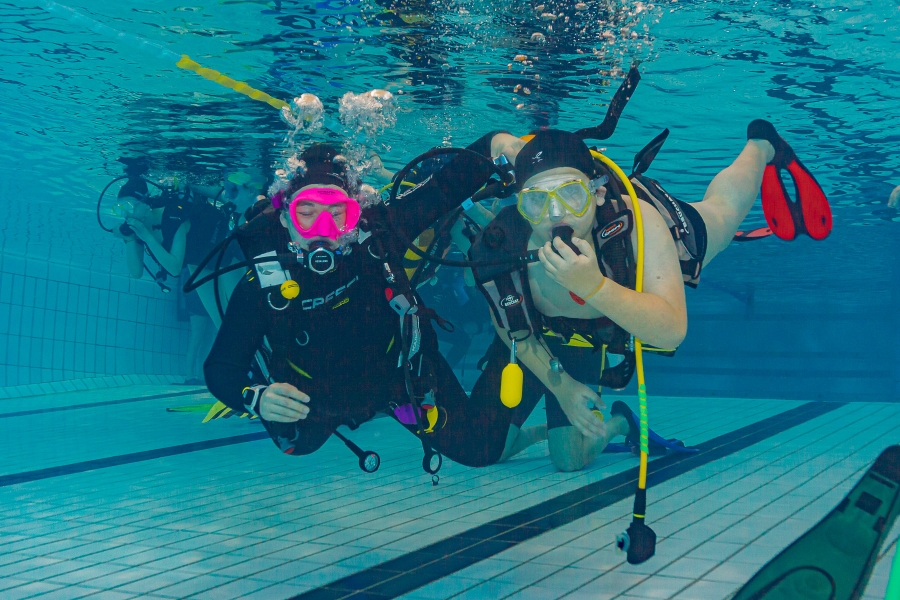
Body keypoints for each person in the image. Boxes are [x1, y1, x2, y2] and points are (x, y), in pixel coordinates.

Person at [463, 119, 831, 471]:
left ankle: (762, 145)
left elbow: (671, 331)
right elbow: (510, 329)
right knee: (522, 451)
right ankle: (604, 424)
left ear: (598, 192)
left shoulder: (638, 223)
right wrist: (563, 390)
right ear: (520, 207)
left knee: (723, 213)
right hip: (565, 337)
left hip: (643, 262)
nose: (556, 215)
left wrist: (593, 286)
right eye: (537, 202)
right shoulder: (506, 248)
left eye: (572, 194)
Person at [202, 141, 521, 469]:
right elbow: (221, 366)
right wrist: (255, 397)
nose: (323, 231)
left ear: (355, 215)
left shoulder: (377, 237)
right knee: (295, 444)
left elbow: (444, 188)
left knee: (479, 452)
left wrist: (496, 144)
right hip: (313, 398)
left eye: (337, 214)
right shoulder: (267, 283)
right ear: (285, 219)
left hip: (398, 378)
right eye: (306, 214)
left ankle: (519, 349)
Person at [112, 174, 243, 327]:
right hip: (198, 264)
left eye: (129, 207)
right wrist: (129, 240)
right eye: (120, 210)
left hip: (224, 250)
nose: (126, 215)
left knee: (241, 307)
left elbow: (174, 268)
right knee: (221, 322)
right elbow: (136, 273)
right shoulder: (139, 230)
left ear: (145, 204)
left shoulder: (172, 215)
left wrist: (146, 236)